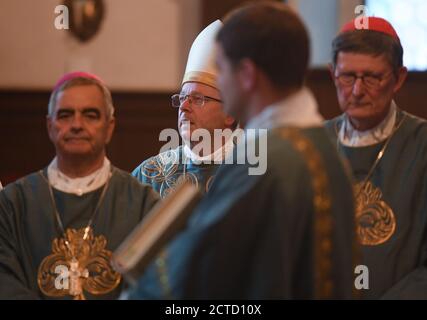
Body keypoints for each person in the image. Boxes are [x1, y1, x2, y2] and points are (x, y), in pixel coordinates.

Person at [128, 2, 356, 299]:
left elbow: (200, 273)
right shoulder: (326, 149)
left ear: (246, 75)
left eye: (221, 69)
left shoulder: (261, 163)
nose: (218, 80)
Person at [0, 72, 159, 300]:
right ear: (50, 126)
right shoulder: (12, 204)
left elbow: (156, 284)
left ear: (109, 127)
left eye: (90, 115)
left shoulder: (143, 203)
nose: (76, 124)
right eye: (65, 115)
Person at [325, 16, 427, 299]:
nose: (357, 91)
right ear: (333, 74)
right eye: (348, 77)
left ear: (399, 78)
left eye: (371, 77)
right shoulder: (313, 145)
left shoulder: (422, 145)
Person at [132, 20, 239, 199]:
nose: (183, 106)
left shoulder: (251, 172)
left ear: (229, 113)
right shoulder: (149, 175)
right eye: (182, 98)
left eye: (197, 99)